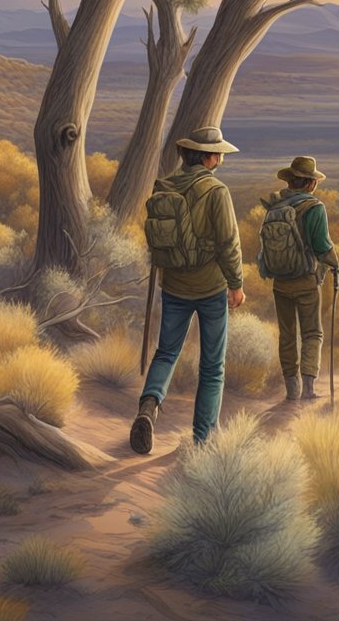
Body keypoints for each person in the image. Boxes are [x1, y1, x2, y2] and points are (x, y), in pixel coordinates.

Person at [131, 126, 245, 454]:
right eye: (218, 151)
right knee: (212, 366)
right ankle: (203, 439)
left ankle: (148, 408)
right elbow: (228, 244)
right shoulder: (216, 191)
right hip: (210, 288)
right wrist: (236, 285)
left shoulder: (164, 186)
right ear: (207, 156)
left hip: (174, 285)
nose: (221, 156)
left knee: (166, 352)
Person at [258, 156, 339, 400]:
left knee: (287, 334)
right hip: (306, 280)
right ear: (311, 184)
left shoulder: (274, 207)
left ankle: (291, 389)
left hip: (280, 281)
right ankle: (309, 388)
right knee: (312, 333)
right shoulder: (314, 208)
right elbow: (322, 246)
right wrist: (335, 264)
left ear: (290, 181)